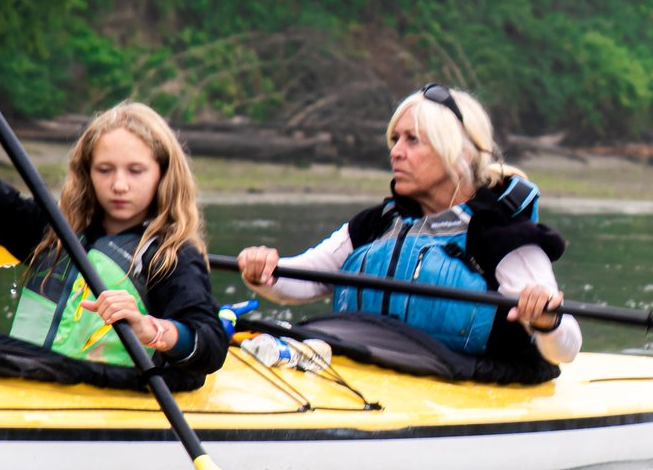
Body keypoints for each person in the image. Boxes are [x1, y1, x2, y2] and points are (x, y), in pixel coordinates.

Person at [0, 43, 227, 388]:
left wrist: (149, 328)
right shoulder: (51, 233)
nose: (119, 185)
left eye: (136, 171)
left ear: (162, 174)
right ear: (87, 173)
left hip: (109, 399)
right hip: (23, 385)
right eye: (105, 170)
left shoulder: (170, 257)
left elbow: (211, 344)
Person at [232, 85, 577, 379]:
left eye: (413, 140)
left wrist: (546, 320)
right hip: (370, 365)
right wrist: (265, 272)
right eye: (395, 139)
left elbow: (567, 347)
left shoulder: (503, 236)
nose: (396, 152)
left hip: (466, 385)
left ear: (456, 152)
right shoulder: (377, 223)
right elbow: (304, 278)